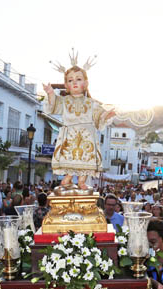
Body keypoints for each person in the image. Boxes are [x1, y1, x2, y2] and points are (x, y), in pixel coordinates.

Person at [43, 59, 115, 190]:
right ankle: (67, 179)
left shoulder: (91, 102)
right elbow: (53, 107)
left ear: (86, 83)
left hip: (87, 135)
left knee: (85, 158)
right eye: (70, 80)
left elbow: (98, 115)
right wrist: (50, 94)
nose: (74, 82)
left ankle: (82, 181)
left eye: (78, 79)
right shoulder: (64, 101)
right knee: (70, 156)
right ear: (66, 85)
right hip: (70, 135)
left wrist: (106, 115)